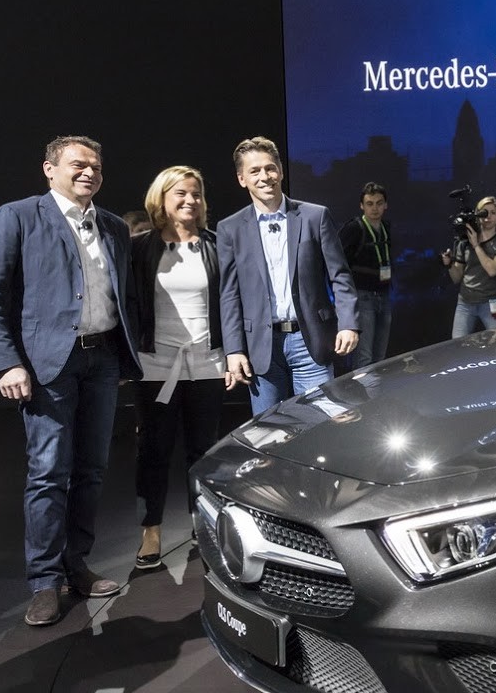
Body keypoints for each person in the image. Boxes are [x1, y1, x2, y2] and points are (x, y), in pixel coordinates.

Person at [0, 136, 141, 626]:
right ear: (49, 168)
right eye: (78, 164)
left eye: (96, 167)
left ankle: (75, 565)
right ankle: (45, 580)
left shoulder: (112, 226)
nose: (89, 173)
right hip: (47, 366)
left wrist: (122, 356)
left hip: (102, 360)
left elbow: (124, 296)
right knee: (48, 472)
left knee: (92, 469)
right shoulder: (16, 217)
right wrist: (5, 362)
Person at [130, 166, 239, 570]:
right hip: (155, 365)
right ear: (161, 198)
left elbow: (232, 303)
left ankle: (201, 524)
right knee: (153, 450)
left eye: (196, 193)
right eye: (180, 193)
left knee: (203, 450)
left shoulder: (217, 245)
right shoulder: (140, 248)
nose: (190, 200)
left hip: (207, 363)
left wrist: (233, 353)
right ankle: (151, 530)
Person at [217, 136, 359, 415]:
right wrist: (233, 350)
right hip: (262, 348)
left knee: (320, 421)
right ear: (242, 179)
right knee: (269, 430)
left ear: (280, 171)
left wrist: (348, 324)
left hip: (311, 341)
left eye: (270, 168)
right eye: (254, 171)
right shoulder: (230, 228)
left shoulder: (315, 216)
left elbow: (340, 275)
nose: (264, 176)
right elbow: (229, 295)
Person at [338, 182, 394, 368]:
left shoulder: (386, 227)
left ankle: (377, 387)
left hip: (384, 295)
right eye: (370, 203)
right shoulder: (354, 228)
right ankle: (361, 388)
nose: (375, 208)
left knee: (380, 355)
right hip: (362, 297)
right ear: (361, 206)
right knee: (364, 356)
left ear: (385, 205)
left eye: (379, 203)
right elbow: (338, 263)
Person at [442, 196, 496, 336]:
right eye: (484, 212)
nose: (488, 217)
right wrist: (449, 264)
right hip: (466, 302)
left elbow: (493, 270)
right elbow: (456, 278)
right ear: (477, 215)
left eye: (493, 213)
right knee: (458, 344)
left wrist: (476, 245)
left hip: (492, 302)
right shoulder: (464, 241)